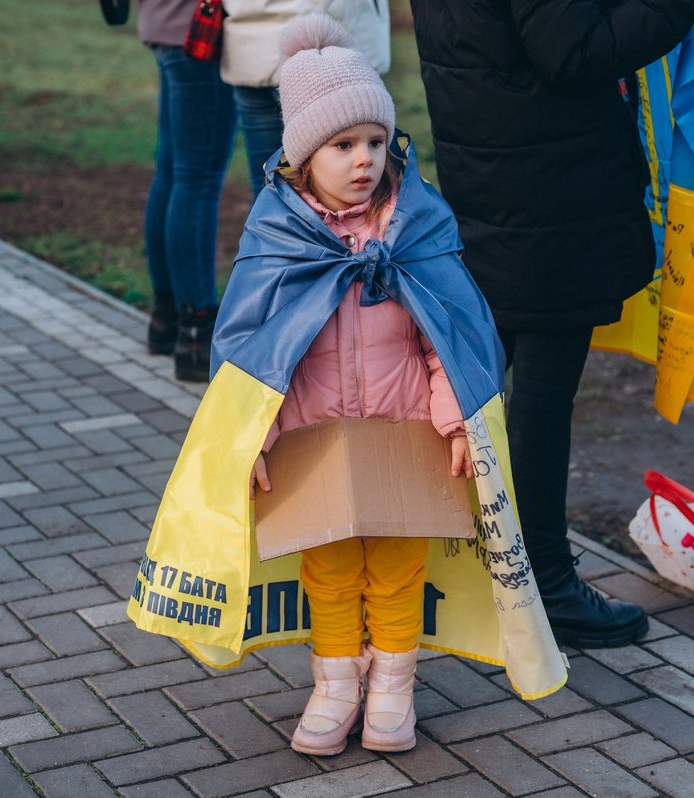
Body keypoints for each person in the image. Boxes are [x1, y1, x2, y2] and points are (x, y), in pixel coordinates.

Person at [409, 0, 694, 648]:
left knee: (491, 383)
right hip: (546, 187)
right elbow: (571, 50)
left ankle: (451, 563)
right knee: (540, 398)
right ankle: (543, 583)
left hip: (496, 170)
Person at [224, 13, 473, 756]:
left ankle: (394, 686)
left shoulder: (415, 228)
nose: (362, 159)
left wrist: (456, 420)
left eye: (373, 141)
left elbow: (449, 336)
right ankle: (335, 684)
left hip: (404, 436)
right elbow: (251, 348)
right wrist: (254, 439)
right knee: (329, 573)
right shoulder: (278, 239)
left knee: (397, 571)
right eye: (341, 145)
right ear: (303, 157)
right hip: (313, 443)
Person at [137, 0, 237, 382]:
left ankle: (167, 319)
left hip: (165, 26)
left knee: (173, 172)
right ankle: (195, 329)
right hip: (199, 31)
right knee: (197, 178)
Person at [219, 0, 391, 201]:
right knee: (361, 196)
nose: (365, 159)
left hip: (250, 40)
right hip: (330, 35)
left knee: (267, 192)